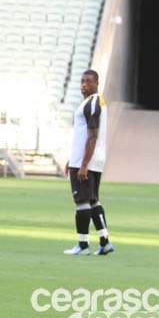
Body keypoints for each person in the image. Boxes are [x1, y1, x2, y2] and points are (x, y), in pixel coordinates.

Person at [63, 69, 114, 256]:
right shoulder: (94, 102)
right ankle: (105, 242)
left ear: (96, 83)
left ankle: (83, 246)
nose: (84, 84)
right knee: (93, 200)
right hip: (91, 159)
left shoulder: (92, 104)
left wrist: (83, 164)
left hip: (87, 161)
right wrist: (73, 159)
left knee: (82, 201)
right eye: (82, 81)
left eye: (88, 81)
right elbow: (84, 135)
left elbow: (92, 136)